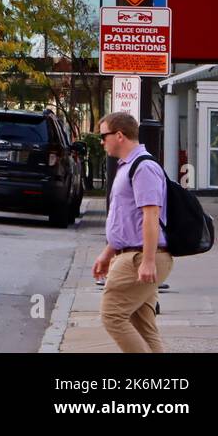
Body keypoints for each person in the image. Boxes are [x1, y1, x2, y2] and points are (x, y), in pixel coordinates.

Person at [93, 111, 172, 353]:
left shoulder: (143, 167)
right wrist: (108, 254)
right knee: (143, 324)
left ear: (119, 135)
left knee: (112, 315)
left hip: (140, 257)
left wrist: (147, 261)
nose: (101, 141)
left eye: (103, 136)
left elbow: (151, 216)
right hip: (133, 254)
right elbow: (126, 220)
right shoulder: (128, 166)